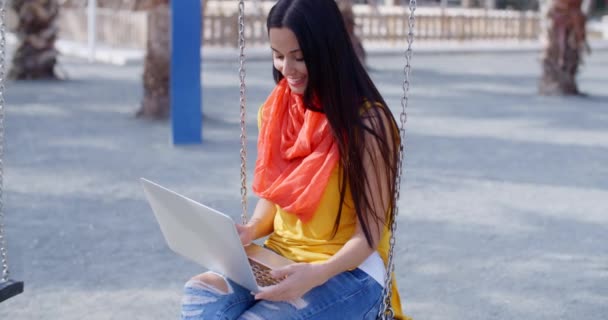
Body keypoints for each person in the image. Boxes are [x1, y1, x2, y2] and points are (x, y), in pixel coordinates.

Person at [181, 0, 408, 319]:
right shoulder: (278, 111)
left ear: (328, 51)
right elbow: (276, 199)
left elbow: (369, 234)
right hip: (280, 257)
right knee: (199, 297)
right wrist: (250, 230)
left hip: (349, 271)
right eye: (278, 55)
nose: (286, 70)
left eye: (299, 57)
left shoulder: (368, 125)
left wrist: (318, 273)